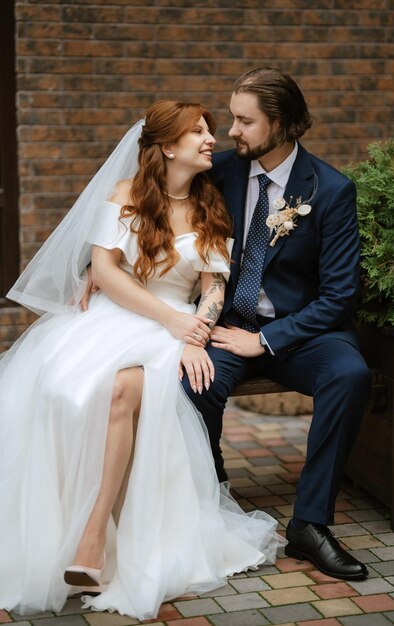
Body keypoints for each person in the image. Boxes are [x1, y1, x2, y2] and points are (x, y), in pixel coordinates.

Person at [0, 101, 283, 620]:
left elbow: (213, 286)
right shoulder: (123, 196)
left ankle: (92, 538)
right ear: (167, 146)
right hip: (117, 315)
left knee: (125, 389)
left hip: (174, 326)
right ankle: (68, 530)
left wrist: (194, 332)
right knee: (76, 389)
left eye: (208, 131)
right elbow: (105, 273)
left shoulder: (210, 207)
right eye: (196, 132)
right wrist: (171, 321)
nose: (208, 139)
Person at [181, 68, 370, 581]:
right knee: (193, 381)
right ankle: (213, 501)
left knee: (349, 374)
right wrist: (97, 268)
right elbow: (146, 203)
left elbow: (339, 296)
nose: (231, 131)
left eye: (244, 121)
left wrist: (265, 339)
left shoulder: (330, 190)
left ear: (281, 123)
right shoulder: (215, 170)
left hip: (303, 333)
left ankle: (309, 525)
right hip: (226, 324)